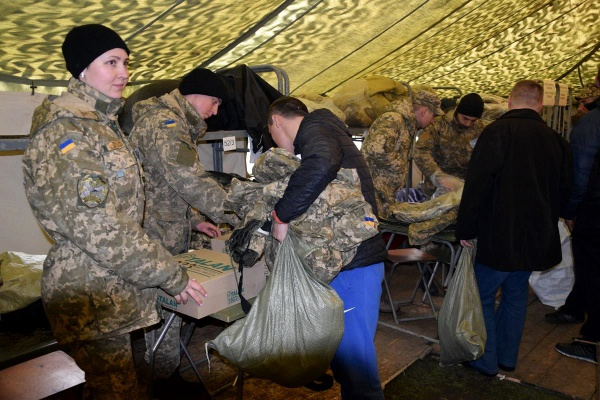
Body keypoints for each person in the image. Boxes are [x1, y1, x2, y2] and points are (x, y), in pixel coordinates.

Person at [21, 24, 206, 400]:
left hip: (109, 283)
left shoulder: (102, 124)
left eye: (125, 62)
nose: (124, 72)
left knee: (113, 388)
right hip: (89, 290)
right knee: (115, 390)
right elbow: (98, 225)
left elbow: (129, 204)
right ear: (81, 69)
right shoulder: (66, 131)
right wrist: (169, 274)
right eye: (111, 62)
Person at [267, 96, 387, 399]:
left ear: (276, 121)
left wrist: (282, 215)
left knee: (358, 367)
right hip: (347, 260)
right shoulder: (328, 130)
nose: (281, 146)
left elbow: (322, 163)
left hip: (355, 263)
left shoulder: (316, 126)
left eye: (272, 135)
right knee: (347, 364)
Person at [128, 67, 240, 387]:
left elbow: (164, 185)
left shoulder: (168, 121)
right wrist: (239, 214)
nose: (215, 111)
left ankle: (165, 370)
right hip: (156, 235)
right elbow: (191, 182)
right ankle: (163, 380)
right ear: (196, 94)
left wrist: (195, 220)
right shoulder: (166, 124)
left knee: (168, 309)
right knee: (165, 307)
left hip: (163, 228)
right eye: (214, 102)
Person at [456, 80, 573, 376]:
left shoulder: (496, 132)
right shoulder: (556, 140)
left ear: (509, 101)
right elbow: (566, 192)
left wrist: (466, 228)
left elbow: (477, 185)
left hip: (498, 233)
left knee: (483, 296)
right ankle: (506, 358)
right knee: (515, 294)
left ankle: (484, 361)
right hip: (535, 236)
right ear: (540, 106)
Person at [545, 81, 600, 326]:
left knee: (590, 266)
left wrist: (569, 210)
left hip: (593, 208)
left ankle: (591, 337)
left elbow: (580, 173)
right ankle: (576, 308)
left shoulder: (590, 124)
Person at [361, 90, 444, 217]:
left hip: (384, 192)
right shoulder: (393, 119)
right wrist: (399, 166)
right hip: (374, 189)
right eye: (433, 115)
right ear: (424, 111)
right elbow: (375, 148)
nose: (433, 121)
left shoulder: (408, 125)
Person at [555, 146, 600, 363]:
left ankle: (592, 342)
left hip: (594, 213)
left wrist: (570, 210)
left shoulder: (589, 129)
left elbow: (581, 175)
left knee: (593, 274)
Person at [414, 93, 485, 198]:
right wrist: (437, 176)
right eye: (465, 118)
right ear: (457, 111)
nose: (468, 124)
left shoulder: (479, 127)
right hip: (437, 188)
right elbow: (420, 151)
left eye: (473, 121)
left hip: (465, 189)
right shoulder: (438, 124)